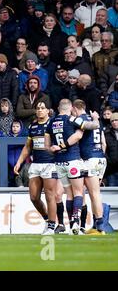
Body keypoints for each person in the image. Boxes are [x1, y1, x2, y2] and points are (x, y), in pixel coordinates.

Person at [45, 99, 100, 235]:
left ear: (58, 108)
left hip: (59, 161)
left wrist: (54, 148)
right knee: (78, 192)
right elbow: (90, 127)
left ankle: (70, 225)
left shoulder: (51, 122)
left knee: (68, 194)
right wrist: (96, 119)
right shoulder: (72, 119)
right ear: (70, 108)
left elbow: (47, 145)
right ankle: (76, 222)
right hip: (73, 160)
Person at [14, 102, 58, 235]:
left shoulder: (52, 125)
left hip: (50, 163)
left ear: (47, 111)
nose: (39, 110)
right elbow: (28, 147)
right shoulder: (32, 126)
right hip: (36, 164)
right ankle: (46, 219)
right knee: (33, 197)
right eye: (38, 108)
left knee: (50, 196)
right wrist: (19, 162)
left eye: (42, 108)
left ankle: (51, 225)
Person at [72, 99, 107, 235]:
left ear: (75, 108)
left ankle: (100, 227)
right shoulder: (95, 119)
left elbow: (78, 137)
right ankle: (96, 225)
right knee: (93, 193)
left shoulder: (80, 120)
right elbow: (104, 143)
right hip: (100, 158)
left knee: (91, 193)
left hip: (90, 159)